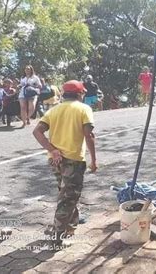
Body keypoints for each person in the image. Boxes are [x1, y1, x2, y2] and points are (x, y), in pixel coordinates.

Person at [33, 80, 96, 246]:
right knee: (67, 198)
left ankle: (70, 224)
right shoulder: (84, 109)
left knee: (65, 192)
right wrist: (94, 160)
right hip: (73, 160)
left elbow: (37, 131)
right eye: (83, 93)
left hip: (55, 160)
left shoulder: (54, 110)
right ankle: (57, 235)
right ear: (80, 94)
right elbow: (88, 136)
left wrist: (52, 149)